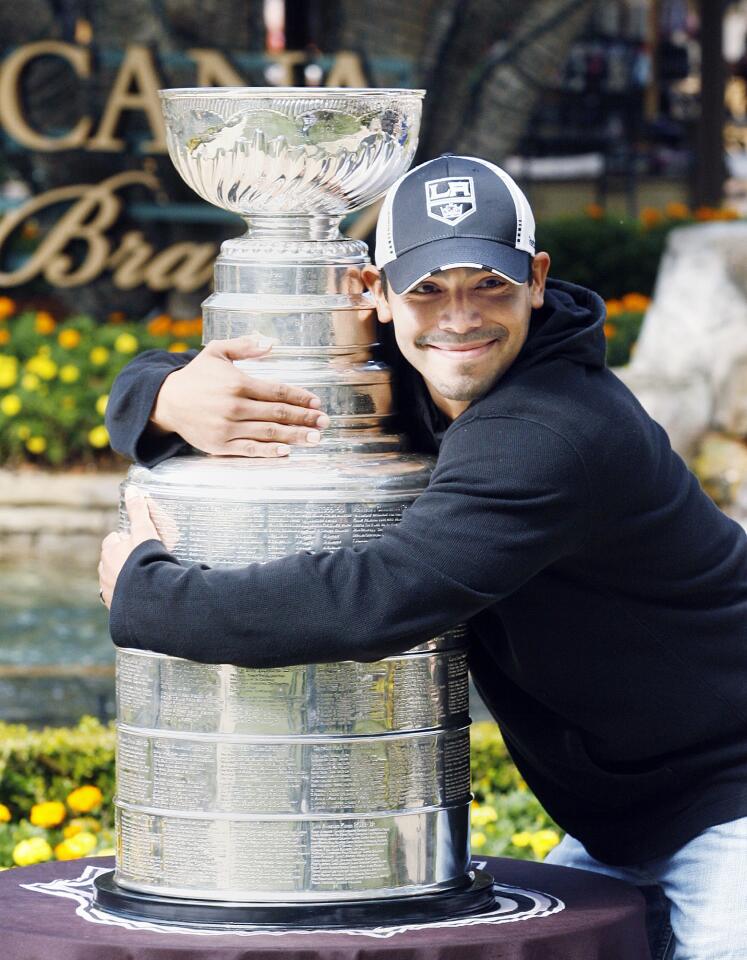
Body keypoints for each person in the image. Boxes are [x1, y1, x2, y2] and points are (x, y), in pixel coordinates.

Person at [100, 155, 747, 960]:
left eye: (489, 285)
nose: (459, 317)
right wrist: (163, 398)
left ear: (536, 280)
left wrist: (148, 594)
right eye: (429, 289)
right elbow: (159, 369)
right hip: (626, 820)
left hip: (728, 809)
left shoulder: (553, 433)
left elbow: (373, 599)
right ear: (376, 293)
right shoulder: (421, 380)